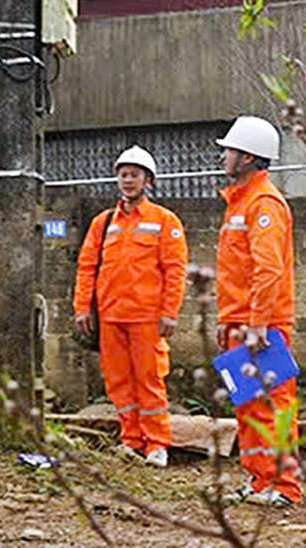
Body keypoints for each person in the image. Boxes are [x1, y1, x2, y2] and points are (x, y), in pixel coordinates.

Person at [74, 146, 189, 468]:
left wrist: (169, 312)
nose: (127, 180)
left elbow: (175, 269)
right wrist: (82, 307)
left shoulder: (165, 221)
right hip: (111, 316)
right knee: (118, 382)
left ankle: (156, 444)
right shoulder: (103, 222)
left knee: (149, 381)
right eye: (123, 174)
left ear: (147, 180)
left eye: (134, 174)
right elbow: (86, 266)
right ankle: (131, 439)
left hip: (147, 318)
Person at [215, 116, 299, 507]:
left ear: (247, 157)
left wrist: (257, 323)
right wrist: (227, 320)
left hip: (262, 326)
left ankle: (282, 486)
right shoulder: (241, 202)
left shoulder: (263, 204)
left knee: (271, 406)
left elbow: (268, 270)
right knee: (248, 407)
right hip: (242, 323)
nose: (223, 157)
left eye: (229, 151)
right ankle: (259, 479)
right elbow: (236, 270)